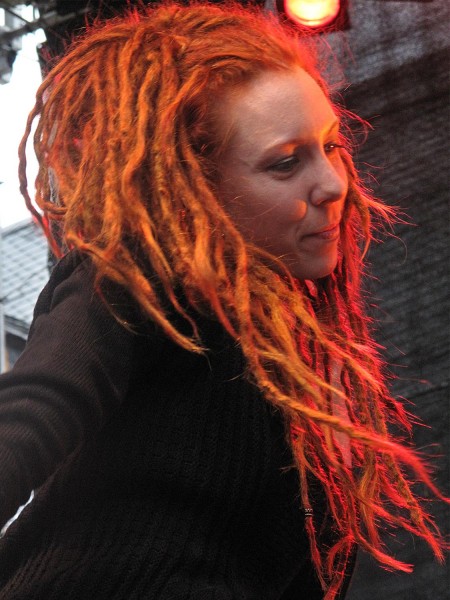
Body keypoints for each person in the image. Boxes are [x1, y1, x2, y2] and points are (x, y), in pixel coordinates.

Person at [0, 2, 447, 599]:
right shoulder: (137, 282)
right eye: (287, 163)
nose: (335, 183)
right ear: (197, 189)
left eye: (332, 145)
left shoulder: (302, 348)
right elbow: (34, 411)